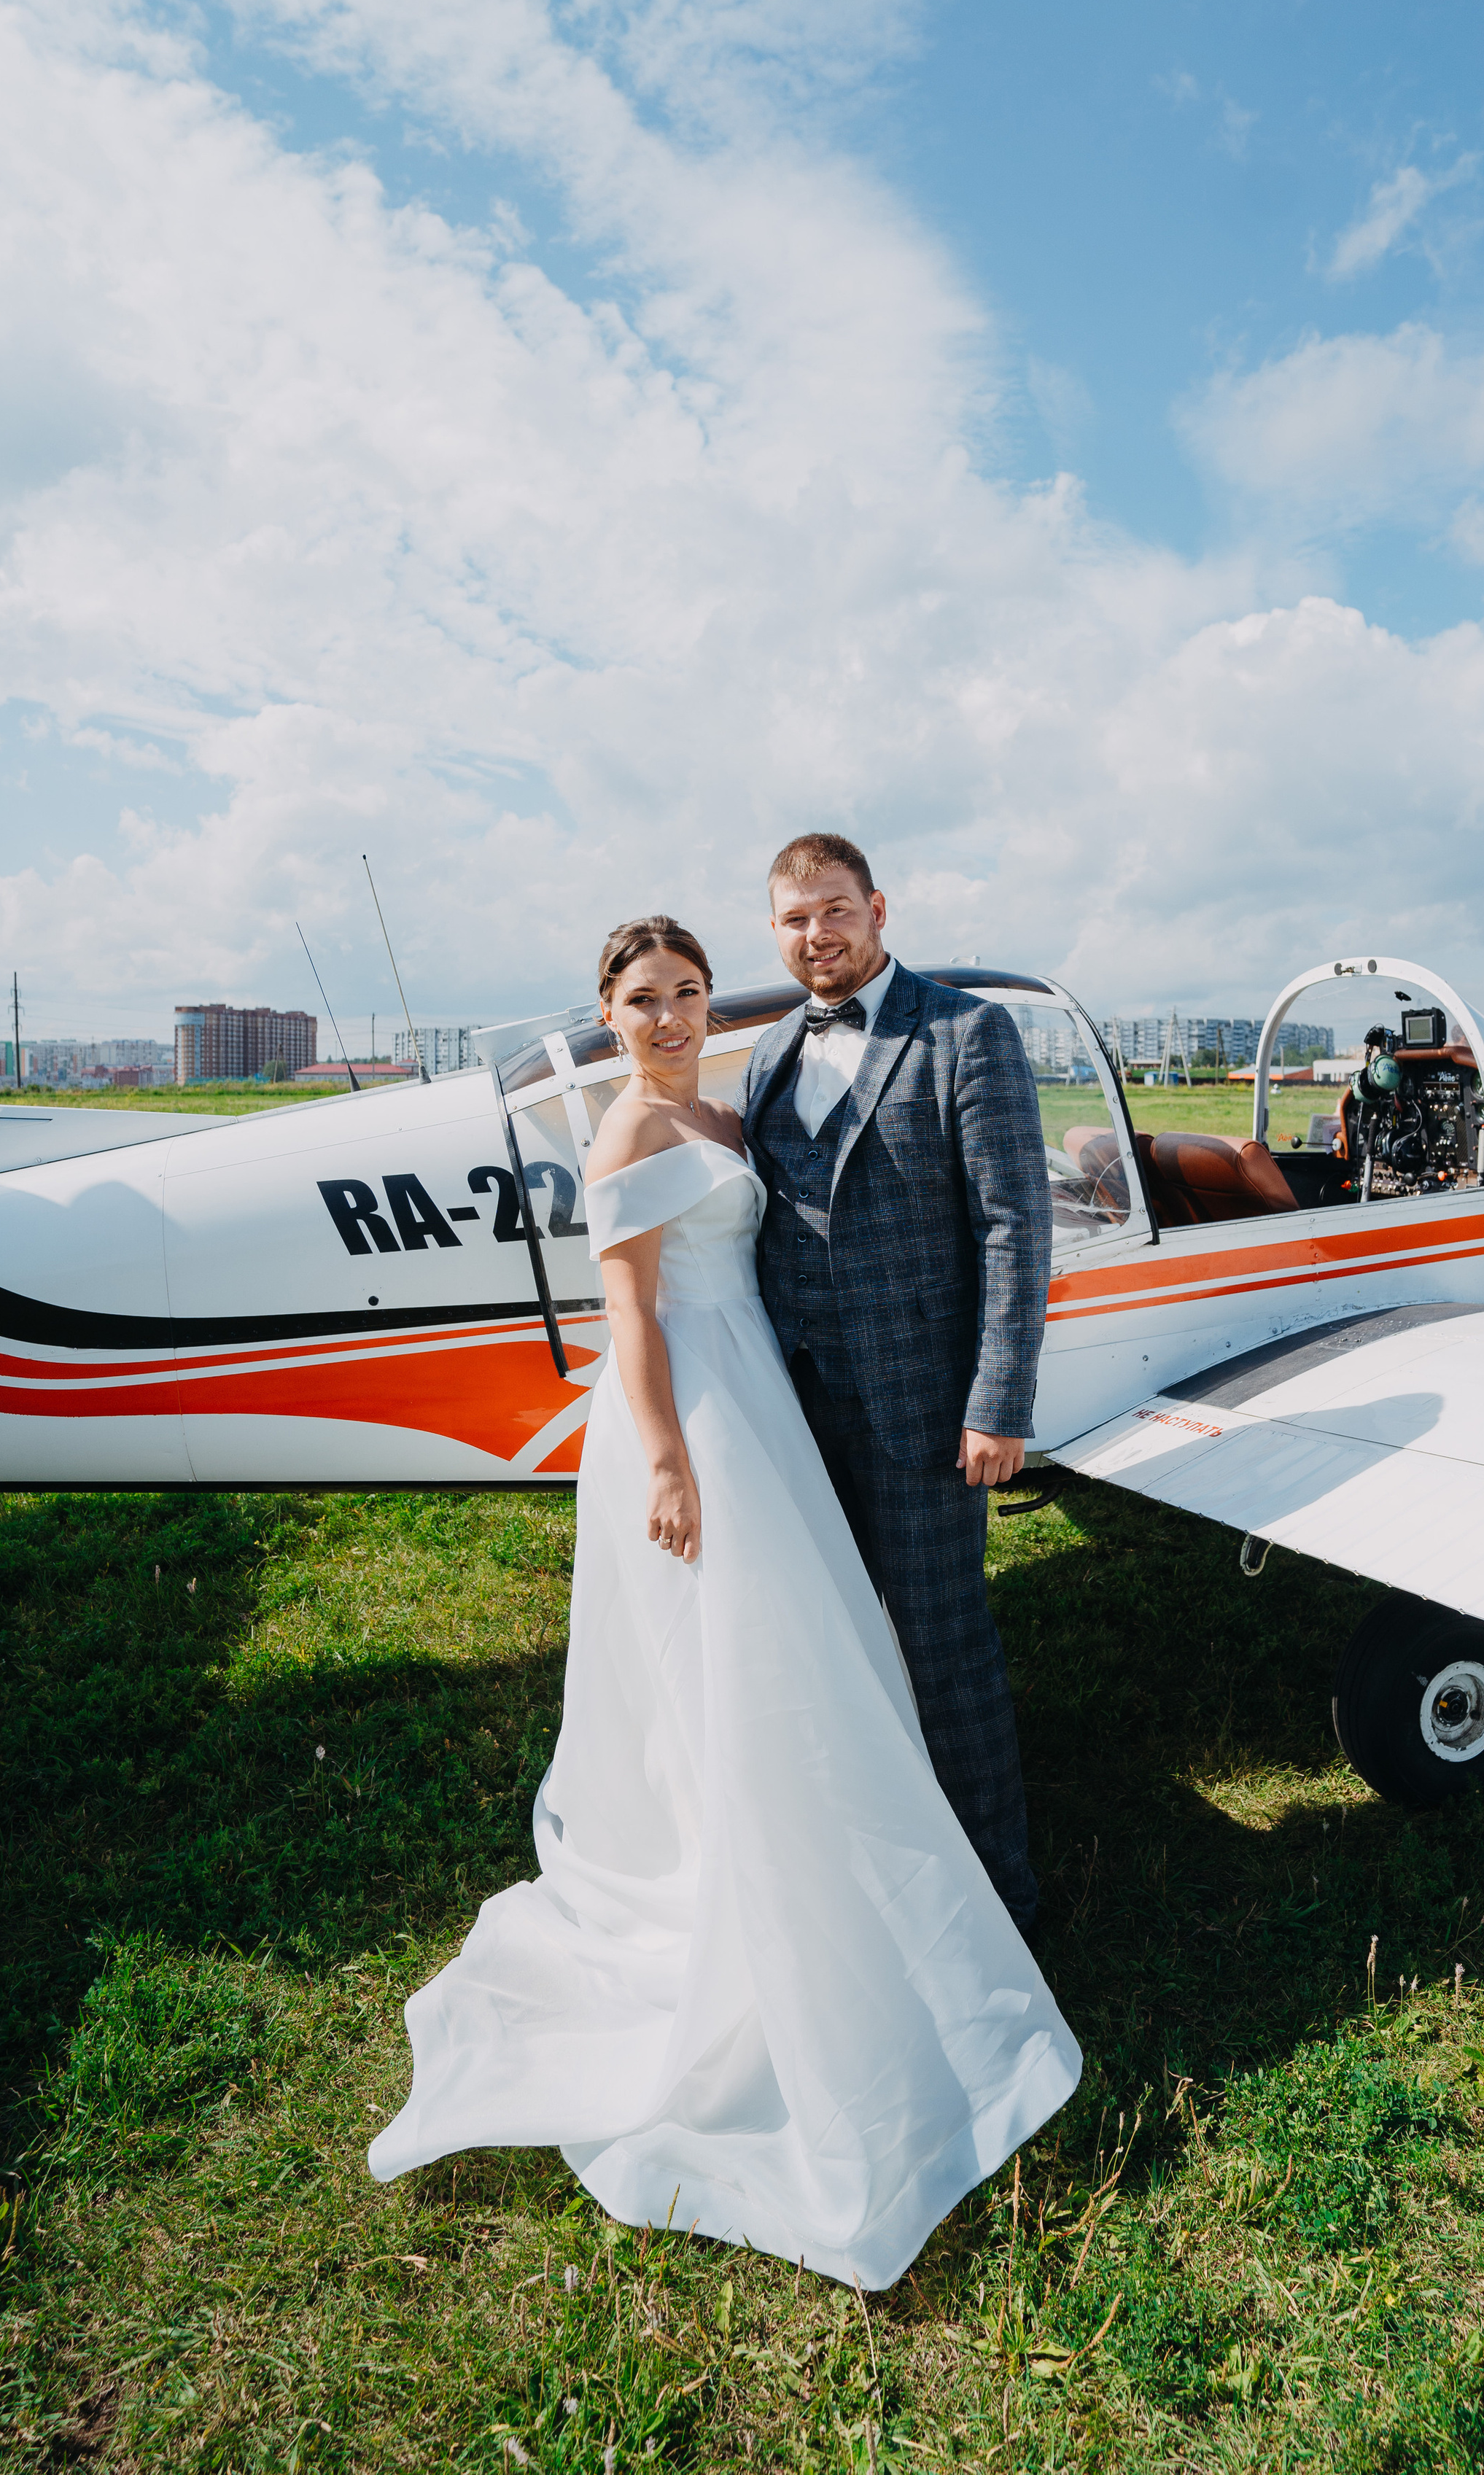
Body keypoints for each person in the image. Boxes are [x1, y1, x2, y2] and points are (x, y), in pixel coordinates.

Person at [368, 914, 1078, 2288]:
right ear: (607, 1012)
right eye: (643, 1000)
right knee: (739, 1659)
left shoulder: (724, 1103)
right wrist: (674, 1464)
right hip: (690, 1418)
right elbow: (630, 1316)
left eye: (688, 993)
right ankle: (749, 1892)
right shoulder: (630, 1135)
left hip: (763, 1394)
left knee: (814, 1645)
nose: (671, 1016)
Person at [739, 834, 1053, 1932]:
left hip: (926, 1408)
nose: (816, 934)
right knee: (835, 1649)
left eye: (834, 909)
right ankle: (877, 1877)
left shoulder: (969, 1033)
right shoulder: (770, 1051)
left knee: (945, 1648)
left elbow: (1016, 1225)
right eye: (793, 919)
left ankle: (1001, 1901)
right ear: (773, 931)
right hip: (800, 1405)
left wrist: (998, 1401)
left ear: (878, 908)